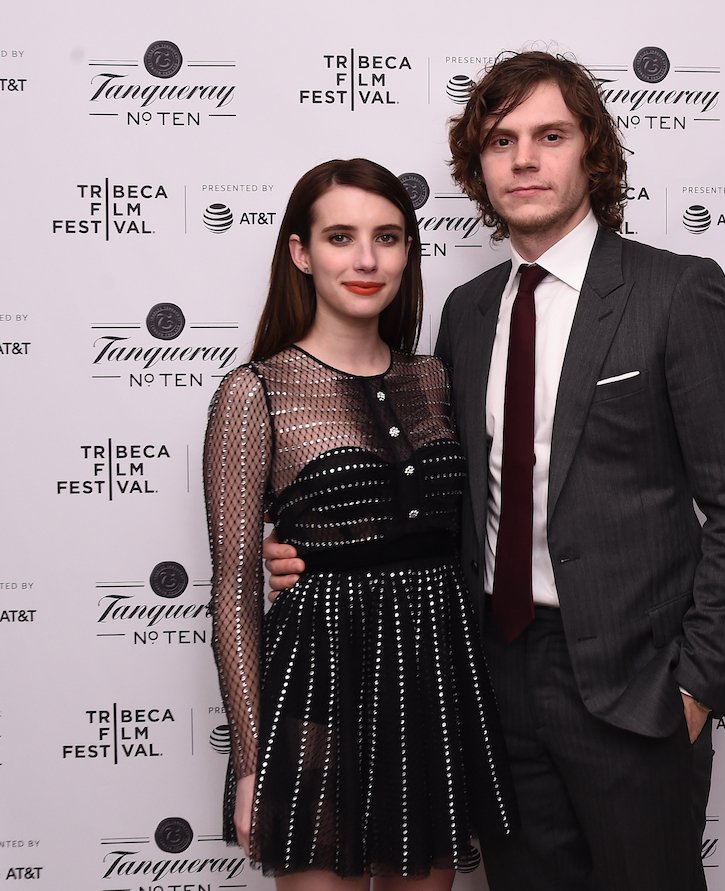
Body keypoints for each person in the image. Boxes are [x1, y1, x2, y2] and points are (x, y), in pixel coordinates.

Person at [268, 51, 725, 891]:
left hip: (634, 684)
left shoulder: (675, 293)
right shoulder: (466, 315)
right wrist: (301, 548)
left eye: (550, 135)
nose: (526, 160)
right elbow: (430, 490)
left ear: (592, 153)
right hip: (493, 672)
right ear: (479, 168)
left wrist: (695, 687)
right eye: (502, 141)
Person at [204, 158, 515, 891]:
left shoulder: (435, 377)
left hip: (434, 688)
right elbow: (232, 591)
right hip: (318, 692)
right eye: (341, 237)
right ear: (301, 253)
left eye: (389, 237)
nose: (368, 259)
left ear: (410, 251)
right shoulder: (256, 392)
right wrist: (251, 764)